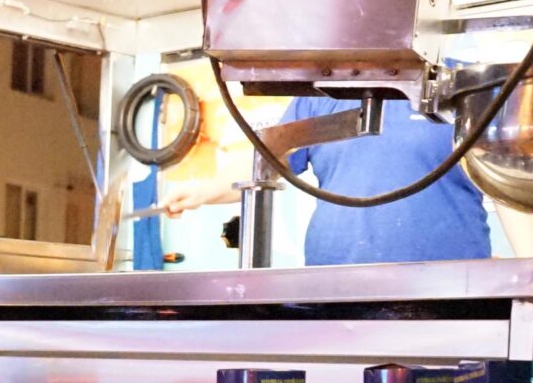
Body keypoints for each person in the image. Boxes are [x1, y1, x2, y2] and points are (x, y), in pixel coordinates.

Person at [150, 96, 491, 265]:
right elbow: (268, 160)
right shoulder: (320, 95)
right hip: (335, 290)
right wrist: (203, 190)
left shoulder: (464, 90)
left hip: (445, 294)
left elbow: (513, 186)